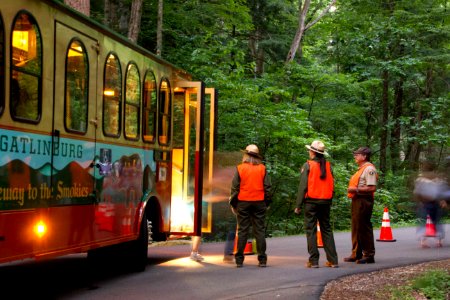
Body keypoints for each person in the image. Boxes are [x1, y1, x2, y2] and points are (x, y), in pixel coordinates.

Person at [294, 140, 339, 268]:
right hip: (325, 202)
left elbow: (302, 187)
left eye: (309, 150)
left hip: (311, 202)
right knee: (327, 230)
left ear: (313, 152)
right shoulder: (328, 166)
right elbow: (332, 185)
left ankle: (313, 261)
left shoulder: (308, 165)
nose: (309, 151)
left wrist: (298, 205)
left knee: (311, 230)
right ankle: (333, 260)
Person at [229, 144, 272, 268]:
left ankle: (239, 260)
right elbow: (268, 188)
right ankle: (262, 260)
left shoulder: (240, 168)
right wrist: (267, 202)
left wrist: (234, 203)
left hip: (243, 202)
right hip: (259, 202)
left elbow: (234, 188)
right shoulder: (262, 169)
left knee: (243, 230)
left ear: (246, 155)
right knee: (259, 231)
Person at [344, 146, 378, 264]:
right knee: (356, 227)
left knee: (364, 227)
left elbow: (372, 187)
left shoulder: (369, 169)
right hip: (357, 199)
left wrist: (356, 190)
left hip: (364, 200)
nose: (355, 156)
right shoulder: (361, 168)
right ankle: (356, 253)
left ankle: (369, 255)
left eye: (357, 154)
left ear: (364, 156)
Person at [413, 161, 446, 248]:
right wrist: (442, 201)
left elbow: (417, 192)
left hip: (426, 202)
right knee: (436, 221)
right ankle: (438, 241)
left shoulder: (420, 179)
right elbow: (440, 191)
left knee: (424, 221)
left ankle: (423, 241)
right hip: (434, 202)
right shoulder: (437, 179)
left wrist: (419, 201)